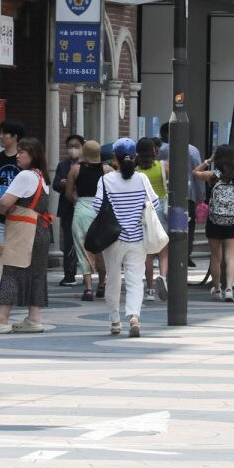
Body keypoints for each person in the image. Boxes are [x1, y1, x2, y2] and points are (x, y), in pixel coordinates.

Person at [0, 137, 52, 334]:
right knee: (36, 274)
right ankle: (34, 318)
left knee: (11, 271)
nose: (18, 155)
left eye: (22, 152)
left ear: (33, 155)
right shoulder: (42, 177)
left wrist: (4, 211)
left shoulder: (25, 176)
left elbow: (4, 203)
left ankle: (1, 319)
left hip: (24, 231)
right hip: (41, 230)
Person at [95, 138, 158, 337]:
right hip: (137, 238)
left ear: (115, 158)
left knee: (112, 279)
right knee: (134, 280)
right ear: (135, 156)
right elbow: (154, 204)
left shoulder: (106, 180)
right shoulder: (142, 179)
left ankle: (114, 320)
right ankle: (134, 317)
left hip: (112, 238)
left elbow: (97, 206)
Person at [194, 145, 234, 302]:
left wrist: (209, 160)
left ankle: (217, 289)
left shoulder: (213, 175)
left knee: (216, 257)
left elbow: (195, 173)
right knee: (231, 256)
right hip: (233, 220)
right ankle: (229, 288)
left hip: (214, 220)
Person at [0, 119, 24, 300]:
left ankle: (13, 285)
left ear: (14, 137)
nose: (0, 137)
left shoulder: (24, 159)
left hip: (20, 214)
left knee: (16, 252)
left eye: (3, 134)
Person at [66, 140, 111, 301]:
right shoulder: (107, 170)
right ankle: (101, 284)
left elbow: (69, 193)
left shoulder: (75, 170)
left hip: (82, 209)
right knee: (103, 249)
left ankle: (88, 288)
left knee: (82, 248)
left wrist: (77, 201)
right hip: (102, 212)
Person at [159, 122, 205, 267]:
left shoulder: (163, 150)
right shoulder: (193, 151)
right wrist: (201, 196)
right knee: (188, 225)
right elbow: (198, 175)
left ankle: (169, 253)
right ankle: (186, 254)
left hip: (168, 193)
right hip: (188, 193)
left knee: (168, 224)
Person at [136, 137, 169, 301]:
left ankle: (149, 290)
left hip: (142, 211)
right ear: (154, 150)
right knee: (163, 248)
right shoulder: (163, 166)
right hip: (160, 209)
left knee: (147, 252)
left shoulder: (135, 170)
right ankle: (163, 276)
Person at [52, 134, 85, 286]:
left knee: (86, 242)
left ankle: (88, 275)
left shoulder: (87, 164)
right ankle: (69, 274)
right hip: (67, 208)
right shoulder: (63, 165)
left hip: (85, 207)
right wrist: (64, 183)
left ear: (82, 147)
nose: (73, 149)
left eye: (76, 146)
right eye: (70, 146)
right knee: (69, 243)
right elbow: (56, 184)